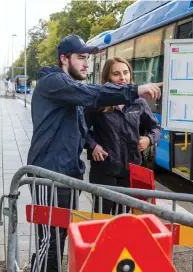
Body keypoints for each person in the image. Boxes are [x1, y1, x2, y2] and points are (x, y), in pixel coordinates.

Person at [27, 35, 162, 272]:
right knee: (50, 241)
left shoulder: (70, 90)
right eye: (80, 58)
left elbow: (81, 128)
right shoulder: (55, 82)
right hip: (49, 174)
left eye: (87, 58)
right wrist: (134, 89)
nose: (85, 63)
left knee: (59, 237)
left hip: (67, 174)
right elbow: (93, 94)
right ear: (64, 59)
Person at [84, 57, 161, 215]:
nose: (122, 77)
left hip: (130, 172)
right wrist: (93, 145)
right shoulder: (97, 103)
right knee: (102, 220)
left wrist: (149, 139)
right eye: (116, 74)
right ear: (107, 78)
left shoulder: (139, 103)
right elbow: (80, 128)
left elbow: (156, 128)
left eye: (125, 73)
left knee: (125, 220)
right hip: (104, 172)